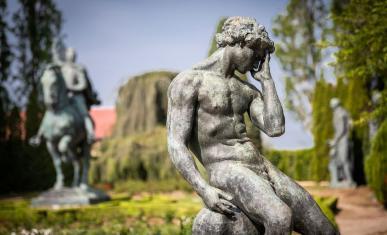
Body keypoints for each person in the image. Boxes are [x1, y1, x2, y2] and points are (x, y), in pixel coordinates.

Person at [167, 17, 337, 234]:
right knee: (280, 217)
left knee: (324, 229)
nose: (258, 60)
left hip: (261, 166)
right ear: (238, 43)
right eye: (256, 52)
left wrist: (267, 82)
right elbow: (175, 142)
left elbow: (275, 128)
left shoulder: (246, 90)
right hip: (225, 168)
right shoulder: (189, 82)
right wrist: (203, 189)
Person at [59, 47, 100, 143]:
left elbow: (83, 84)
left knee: (84, 114)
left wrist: (72, 88)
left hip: (77, 96)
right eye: (69, 54)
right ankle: (40, 135)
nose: (71, 56)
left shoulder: (79, 69)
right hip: (64, 97)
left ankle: (90, 133)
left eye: (73, 54)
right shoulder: (62, 69)